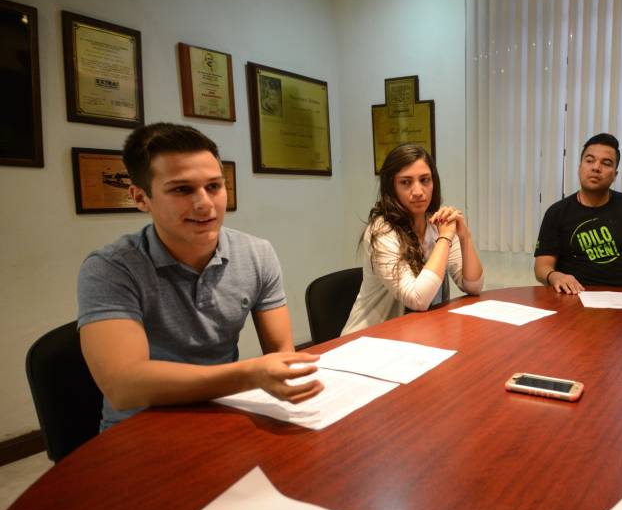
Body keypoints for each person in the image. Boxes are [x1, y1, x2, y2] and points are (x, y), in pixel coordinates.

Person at [78, 123, 323, 430]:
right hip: (140, 427)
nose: (205, 203)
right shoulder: (111, 268)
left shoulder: (256, 253)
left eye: (214, 186)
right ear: (141, 198)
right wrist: (248, 375)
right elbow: (124, 386)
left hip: (223, 410)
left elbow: (281, 352)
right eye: (182, 189)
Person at [342, 143, 484, 334]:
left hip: (417, 334)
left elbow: (474, 286)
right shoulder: (382, 231)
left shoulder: (436, 224)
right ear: (391, 187)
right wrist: (445, 238)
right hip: (370, 339)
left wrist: (464, 236)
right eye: (406, 182)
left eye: (425, 180)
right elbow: (418, 299)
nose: (418, 191)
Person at [534, 133, 622, 294]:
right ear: (580, 167)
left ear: (615, 175)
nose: (596, 168)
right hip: (573, 295)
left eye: (606, 163)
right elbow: (542, 266)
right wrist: (555, 276)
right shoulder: (556, 212)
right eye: (589, 161)